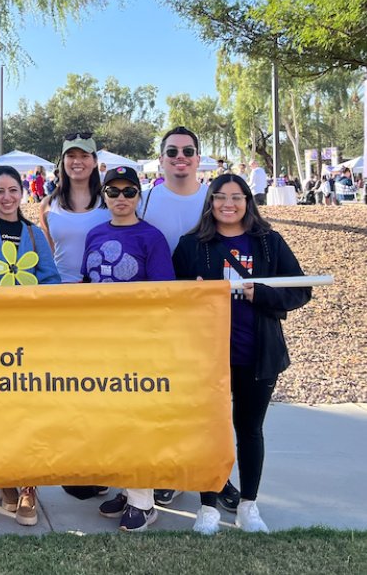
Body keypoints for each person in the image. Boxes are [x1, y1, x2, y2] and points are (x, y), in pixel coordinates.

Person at [173, 173, 311, 535]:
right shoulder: (191, 246)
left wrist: (260, 294)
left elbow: (300, 291)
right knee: (209, 431)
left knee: (249, 430)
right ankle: (207, 505)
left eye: (236, 197)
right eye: (220, 197)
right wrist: (194, 295)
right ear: (210, 202)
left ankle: (248, 504)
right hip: (208, 357)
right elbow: (170, 301)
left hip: (257, 353)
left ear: (248, 201)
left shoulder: (269, 243)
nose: (228, 204)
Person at [139, 127, 239, 511]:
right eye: (172, 151)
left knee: (211, 400)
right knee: (166, 397)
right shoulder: (146, 199)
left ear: (199, 157)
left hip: (208, 315)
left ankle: (217, 475)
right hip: (161, 313)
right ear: (161, 158)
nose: (180, 157)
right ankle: (172, 472)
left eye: (188, 151)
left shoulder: (212, 200)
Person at [0, 165, 60, 525]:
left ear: (22, 194)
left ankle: (28, 487)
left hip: (28, 337)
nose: (6, 198)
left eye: (12, 191)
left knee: (28, 411)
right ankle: (4, 477)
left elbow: (50, 280)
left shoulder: (34, 235)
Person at [80, 167, 175, 533]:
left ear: (139, 195)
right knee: (112, 419)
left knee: (138, 419)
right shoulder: (95, 233)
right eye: (113, 191)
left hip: (138, 343)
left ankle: (143, 501)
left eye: (129, 191)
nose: (121, 197)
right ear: (104, 194)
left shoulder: (151, 237)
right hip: (102, 342)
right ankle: (129, 485)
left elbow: (163, 294)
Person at [45, 133, 111, 284]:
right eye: (71, 155)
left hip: (102, 291)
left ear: (95, 161)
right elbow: (50, 252)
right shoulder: (48, 204)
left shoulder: (109, 203)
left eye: (84, 156)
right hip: (62, 291)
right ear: (63, 161)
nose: (77, 161)